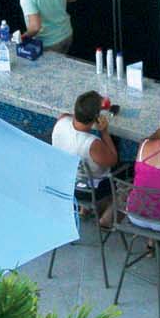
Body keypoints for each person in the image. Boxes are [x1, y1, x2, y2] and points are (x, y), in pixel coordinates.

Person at [51, 91, 120, 227]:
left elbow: (67, 116)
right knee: (126, 169)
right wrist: (104, 132)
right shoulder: (92, 143)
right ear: (96, 118)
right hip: (87, 190)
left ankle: (85, 209)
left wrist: (86, 113)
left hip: (65, 182)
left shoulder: (61, 121)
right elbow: (113, 160)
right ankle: (107, 212)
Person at [127, 114, 160, 231]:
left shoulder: (144, 145)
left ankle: (151, 241)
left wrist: (159, 132)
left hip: (136, 215)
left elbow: (147, 139)